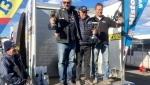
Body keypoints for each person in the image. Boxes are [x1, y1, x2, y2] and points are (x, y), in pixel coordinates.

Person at [48, 0, 81, 85]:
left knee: (71, 62)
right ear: (62, 3)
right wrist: (51, 22)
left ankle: (69, 80)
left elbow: (78, 25)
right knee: (61, 62)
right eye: (64, 2)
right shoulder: (58, 13)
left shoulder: (75, 12)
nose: (66, 4)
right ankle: (62, 81)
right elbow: (51, 26)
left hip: (73, 41)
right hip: (62, 41)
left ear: (71, 2)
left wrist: (78, 36)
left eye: (68, 2)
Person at [91, 3, 123, 84]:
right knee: (94, 61)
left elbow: (116, 25)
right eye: (98, 9)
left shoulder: (107, 19)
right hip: (95, 43)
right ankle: (95, 77)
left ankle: (105, 78)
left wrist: (120, 22)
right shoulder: (92, 20)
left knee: (106, 62)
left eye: (101, 9)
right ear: (95, 10)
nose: (100, 11)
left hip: (105, 43)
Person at [75, 6, 96, 85]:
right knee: (78, 63)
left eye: (86, 12)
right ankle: (78, 79)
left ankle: (87, 79)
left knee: (87, 63)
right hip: (79, 45)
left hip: (88, 45)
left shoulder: (91, 20)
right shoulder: (76, 20)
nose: (84, 13)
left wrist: (94, 32)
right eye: (83, 12)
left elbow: (94, 30)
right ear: (79, 12)